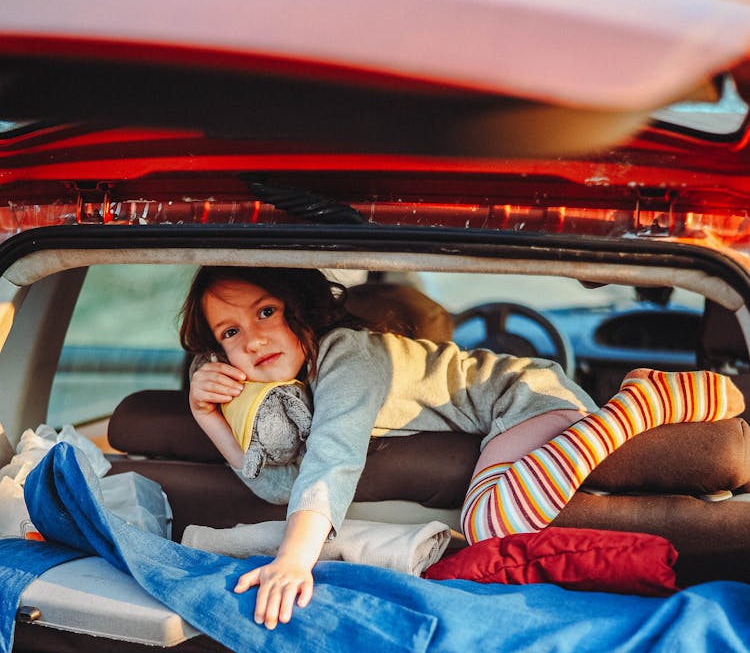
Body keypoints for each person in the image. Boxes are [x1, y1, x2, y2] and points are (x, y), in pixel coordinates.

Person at [180, 265, 744, 631]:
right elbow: (284, 487)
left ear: (299, 305)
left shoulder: (348, 352)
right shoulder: (295, 399)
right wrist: (208, 418)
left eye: (265, 311)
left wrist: (294, 559)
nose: (251, 338)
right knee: (514, 510)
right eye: (228, 332)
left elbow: (336, 457)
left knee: (491, 521)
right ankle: (629, 411)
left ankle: (631, 411)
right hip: (511, 417)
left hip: (521, 395)